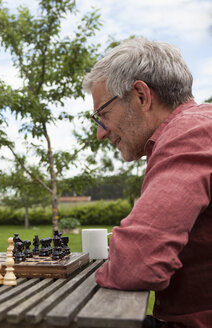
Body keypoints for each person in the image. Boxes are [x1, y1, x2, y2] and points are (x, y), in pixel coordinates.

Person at [82, 38, 212, 327]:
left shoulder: (189, 135)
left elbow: (137, 263)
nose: (101, 134)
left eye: (103, 115)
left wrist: (119, 255)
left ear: (141, 95)